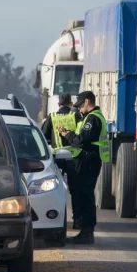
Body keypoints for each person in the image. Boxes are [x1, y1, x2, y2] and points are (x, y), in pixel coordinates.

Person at [57, 91, 109, 244]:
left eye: (80, 105)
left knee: (86, 196)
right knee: (84, 195)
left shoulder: (93, 118)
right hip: (88, 161)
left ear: (87, 102)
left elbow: (81, 141)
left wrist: (67, 134)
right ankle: (85, 231)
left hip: (90, 162)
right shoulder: (89, 117)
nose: (79, 109)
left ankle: (87, 232)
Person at [41, 93, 83, 229]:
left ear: (59, 104)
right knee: (76, 190)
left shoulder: (52, 117)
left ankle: (53, 220)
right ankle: (77, 220)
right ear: (71, 104)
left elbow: (44, 136)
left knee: (54, 190)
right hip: (74, 158)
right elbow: (80, 137)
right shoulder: (76, 116)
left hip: (57, 159)